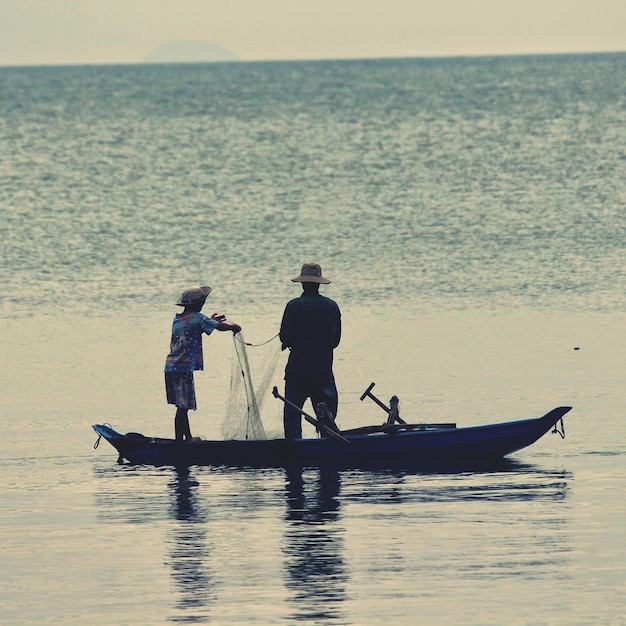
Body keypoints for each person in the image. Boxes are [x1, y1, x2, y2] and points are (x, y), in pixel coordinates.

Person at [164, 285, 241, 441]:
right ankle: (180, 442)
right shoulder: (198, 318)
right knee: (182, 407)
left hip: (171, 367)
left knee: (182, 406)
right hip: (183, 368)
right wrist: (234, 327)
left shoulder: (178, 319)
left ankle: (186, 438)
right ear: (198, 304)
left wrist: (210, 321)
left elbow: (198, 326)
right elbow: (220, 327)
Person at [279, 263, 341, 439]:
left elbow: (286, 337)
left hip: (297, 371)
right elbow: (335, 341)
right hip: (322, 371)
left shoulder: (293, 306)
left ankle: (294, 452)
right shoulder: (332, 306)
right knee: (327, 418)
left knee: (292, 416)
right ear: (319, 284)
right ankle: (327, 451)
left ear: (302, 283)